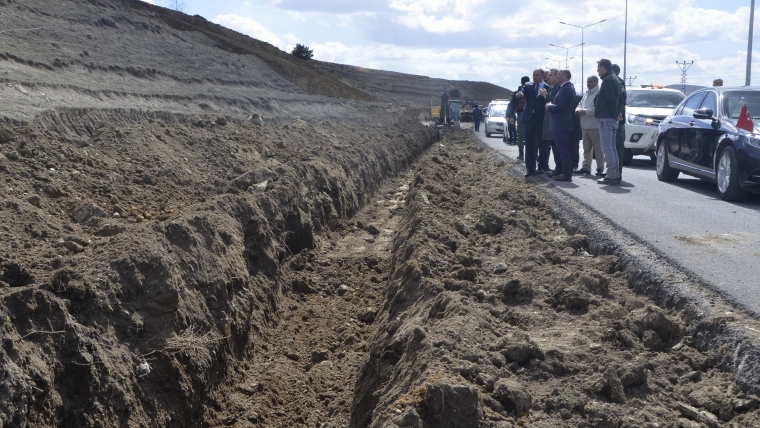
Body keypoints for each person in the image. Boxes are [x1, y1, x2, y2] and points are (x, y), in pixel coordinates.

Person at [515, 69, 550, 176]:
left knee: (542, 144)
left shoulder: (547, 88)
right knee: (529, 144)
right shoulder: (527, 85)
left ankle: (541, 167)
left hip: (541, 119)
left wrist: (546, 95)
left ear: (542, 76)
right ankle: (530, 168)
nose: (535, 77)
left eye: (537, 75)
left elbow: (550, 100)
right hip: (528, 119)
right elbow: (521, 92)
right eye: (533, 75)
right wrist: (520, 94)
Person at [595, 58, 622, 185]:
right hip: (611, 117)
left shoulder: (608, 80)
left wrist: (616, 114)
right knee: (612, 148)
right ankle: (615, 174)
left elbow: (611, 99)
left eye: (598, 67)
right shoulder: (614, 79)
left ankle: (611, 175)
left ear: (603, 68)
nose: (597, 70)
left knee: (608, 148)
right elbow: (619, 99)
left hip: (607, 118)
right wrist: (617, 114)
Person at [545, 69, 576, 181]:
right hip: (561, 123)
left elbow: (560, 107)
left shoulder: (566, 89)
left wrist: (549, 106)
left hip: (561, 124)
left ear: (565, 76)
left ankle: (566, 173)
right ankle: (563, 171)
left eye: (558, 74)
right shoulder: (564, 88)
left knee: (563, 150)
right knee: (561, 149)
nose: (556, 76)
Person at [575, 75, 604, 175]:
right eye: (587, 81)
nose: (588, 83)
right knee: (586, 149)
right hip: (584, 125)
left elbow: (598, 108)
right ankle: (586, 167)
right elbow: (580, 103)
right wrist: (578, 109)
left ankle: (600, 168)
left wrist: (586, 111)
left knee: (598, 149)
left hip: (594, 125)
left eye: (590, 82)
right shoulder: (587, 92)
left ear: (596, 82)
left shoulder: (599, 92)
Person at [507, 76, 530, 160]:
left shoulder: (517, 92)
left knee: (520, 135)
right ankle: (531, 155)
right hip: (529, 115)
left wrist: (511, 117)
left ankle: (521, 153)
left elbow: (512, 106)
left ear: (521, 82)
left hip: (521, 114)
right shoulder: (531, 90)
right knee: (530, 135)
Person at [541, 69, 559, 174]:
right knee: (548, 145)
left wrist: (545, 95)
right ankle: (546, 166)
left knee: (556, 148)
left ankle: (558, 169)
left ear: (557, 77)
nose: (548, 77)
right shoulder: (552, 88)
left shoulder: (558, 88)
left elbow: (555, 101)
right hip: (548, 121)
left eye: (550, 75)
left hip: (554, 122)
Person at [611, 64, 627, 179]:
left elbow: (621, 100)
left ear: (614, 72)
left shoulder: (619, 83)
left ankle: (617, 172)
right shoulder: (610, 82)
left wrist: (619, 113)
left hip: (618, 120)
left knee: (617, 146)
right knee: (610, 146)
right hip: (610, 118)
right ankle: (612, 171)